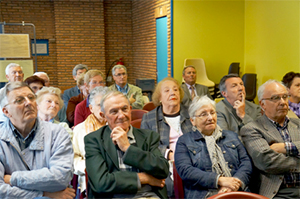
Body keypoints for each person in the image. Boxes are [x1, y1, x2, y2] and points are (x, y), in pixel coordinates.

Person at [84, 91, 169, 198]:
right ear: (103, 115)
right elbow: (101, 183)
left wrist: (127, 148)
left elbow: (162, 170)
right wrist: (144, 178)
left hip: (148, 195)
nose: (121, 115)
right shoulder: (94, 140)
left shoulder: (148, 137)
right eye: (114, 112)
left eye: (124, 109)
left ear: (130, 109)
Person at [0, 82, 75, 198]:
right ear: (6, 112)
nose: (29, 103)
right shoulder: (1, 138)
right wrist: (44, 194)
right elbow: (1, 191)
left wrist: (12, 179)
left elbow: (61, 177)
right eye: (19, 100)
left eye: (31, 97)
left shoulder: (57, 133)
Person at [175, 95, 252, 199]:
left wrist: (233, 185)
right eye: (204, 114)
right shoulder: (184, 141)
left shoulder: (231, 136)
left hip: (237, 190)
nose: (210, 118)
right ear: (192, 121)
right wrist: (219, 180)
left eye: (212, 112)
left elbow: (246, 162)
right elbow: (186, 170)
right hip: (203, 194)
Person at [240, 80, 300, 199]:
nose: (283, 102)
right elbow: (267, 162)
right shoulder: (252, 129)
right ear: (262, 104)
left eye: (284, 97)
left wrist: (285, 148)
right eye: (275, 98)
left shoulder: (298, 123)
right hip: (279, 192)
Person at [141, 77, 193, 197]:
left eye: (175, 90)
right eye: (167, 90)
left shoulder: (191, 113)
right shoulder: (149, 118)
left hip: (192, 158)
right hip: (166, 161)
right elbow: (147, 145)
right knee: (169, 186)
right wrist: (169, 154)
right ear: (159, 98)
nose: (172, 93)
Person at [72, 86, 108, 195]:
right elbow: (74, 158)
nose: (103, 108)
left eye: (106, 104)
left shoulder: (117, 127)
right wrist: (90, 168)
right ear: (91, 108)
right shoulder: (80, 129)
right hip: (88, 180)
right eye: (99, 105)